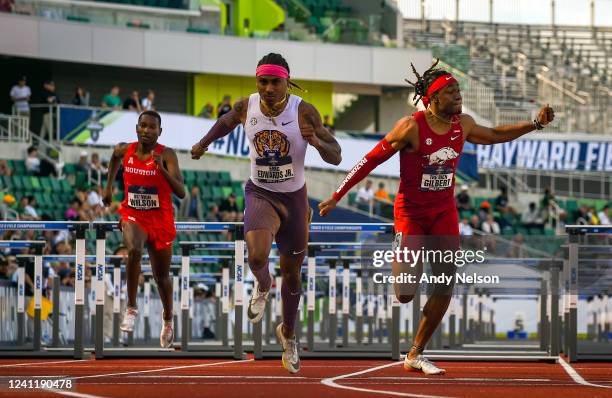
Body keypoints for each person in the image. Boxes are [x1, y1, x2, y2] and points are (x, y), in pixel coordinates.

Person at [318, 59, 554, 375]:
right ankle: (402, 264)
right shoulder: (411, 127)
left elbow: (496, 133)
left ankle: (415, 353)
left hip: (444, 212)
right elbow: (371, 159)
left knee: (445, 283)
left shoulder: (464, 124)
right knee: (404, 294)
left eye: (459, 90)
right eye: (451, 91)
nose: (458, 96)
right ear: (432, 99)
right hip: (411, 214)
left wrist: (534, 124)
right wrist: (337, 195)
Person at [191, 52, 341, 373]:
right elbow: (225, 123)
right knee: (257, 257)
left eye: (275, 82)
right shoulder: (247, 106)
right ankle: (262, 284)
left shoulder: (304, 112)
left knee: (293, 274)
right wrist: (203, 143)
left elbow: (336, 156)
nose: (269, 88)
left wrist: (317, 143)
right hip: (260, 194)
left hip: (295, 201)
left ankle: (288, 335)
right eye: (263, 81)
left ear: (287, 81)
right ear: (256, 81)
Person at [103, 110, 185, 348]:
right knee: (134, 249)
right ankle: (131, 307)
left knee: (162, 278)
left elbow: (181, 192)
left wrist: (162, 170)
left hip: (160, 219)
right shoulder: (125, 149)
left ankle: (168, 318)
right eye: (143, 126)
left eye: (152, 127)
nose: (147, 131)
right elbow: (114, 157)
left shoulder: (166, 154)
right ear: (137, 128)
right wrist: (109, 187)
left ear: (160, 131)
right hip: (133, 214)